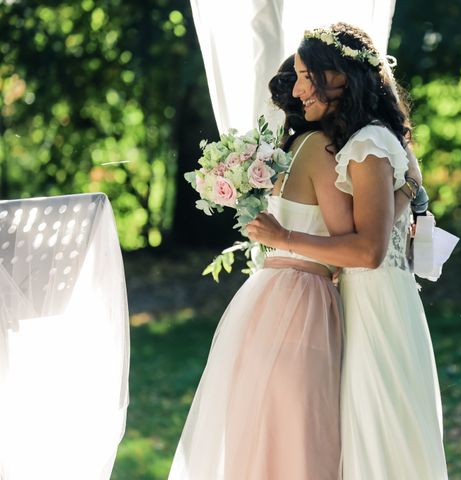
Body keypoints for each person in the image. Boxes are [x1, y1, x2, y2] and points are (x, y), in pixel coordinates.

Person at [247, 22, 448, 479]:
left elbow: (368, 249)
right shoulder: (370, 139)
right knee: (378, 432)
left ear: (338, 74)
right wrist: (411, 186)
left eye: (304, 75)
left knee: (380, 434)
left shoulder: (366, 144)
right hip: (377, 300)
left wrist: (285, 239)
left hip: (375, 305)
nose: (297, 90)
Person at [168, 56, 354, 480]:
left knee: (264, 432)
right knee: (302, 436)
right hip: (302, 302)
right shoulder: (321, 151)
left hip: (269, 296)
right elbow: (348, 243)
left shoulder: (287, 153)